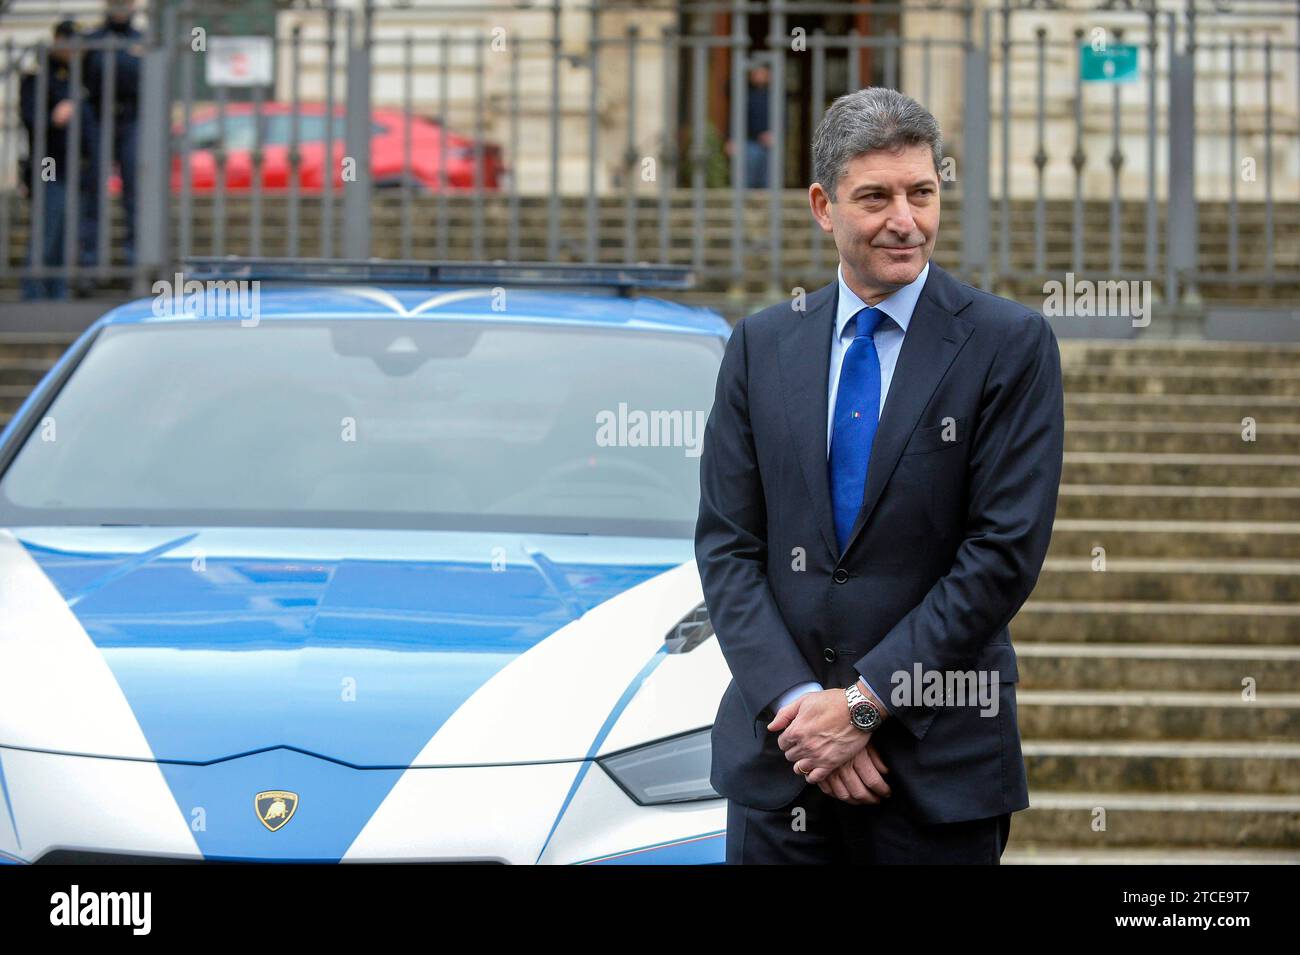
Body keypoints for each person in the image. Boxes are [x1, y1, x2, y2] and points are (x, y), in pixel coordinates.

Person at [695, 87, 1065, 863]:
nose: (906, 219)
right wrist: (806, 713)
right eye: (877, 197)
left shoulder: (1009, 344)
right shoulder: (761, 346)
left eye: (921, 193)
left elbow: (1001, 555)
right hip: (783, 768)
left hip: (936, 773)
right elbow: (728, 547)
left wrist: (864, 706)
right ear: (824, 206)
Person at [18, 20, 84, 300]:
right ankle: (34, 292)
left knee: (64, 231)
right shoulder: (38, 78)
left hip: (74, 165)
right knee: (48, 228)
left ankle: (57, 290)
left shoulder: (77, 78)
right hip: (49, 164)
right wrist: (55, 117)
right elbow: (32, 119)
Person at [79, 0, 143, 272]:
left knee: (135, 195)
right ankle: (88, 266)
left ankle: (134, 265)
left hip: (132, 119)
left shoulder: (144, 40)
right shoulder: (90, 41)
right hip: (98, 119)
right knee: (93, 194)